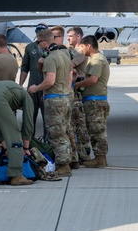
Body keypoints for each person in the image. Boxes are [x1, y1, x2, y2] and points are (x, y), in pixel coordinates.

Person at [28, 26, 75, 176]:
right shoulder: (64, 55)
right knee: (65, 131)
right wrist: (65, 91)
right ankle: (71, 159)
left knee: (56, 134)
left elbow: (49, 81)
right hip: (64, 97)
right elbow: (69, 77)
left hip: (54, 99)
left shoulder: (51, 59)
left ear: (43, 43)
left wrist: (35, 88)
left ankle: (63, 165)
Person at [74, 35, 110, 167]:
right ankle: (99, 158)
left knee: (97, 130)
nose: (81, 50)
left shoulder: (97, 60)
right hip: (93, 99)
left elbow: (93, 80)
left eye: (82, 46)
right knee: (95, 130)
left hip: (95, 101)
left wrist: (78, 85)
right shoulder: (93, 60)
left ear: (88, 45)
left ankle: (100, 159)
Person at [67, 26, 92, 164]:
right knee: (73, 124)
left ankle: (84, 154)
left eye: (70, 36)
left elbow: (67, 65)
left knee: (80, 124)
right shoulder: (71, 51)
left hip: (78, 91)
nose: (68, 38)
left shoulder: (80, 51)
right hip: (73, 90)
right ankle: (77, 154)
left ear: (78, 37)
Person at [19, 26, 50, 130]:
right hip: (32, 86)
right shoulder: (30, 47)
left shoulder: (51, 48)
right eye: (37, 32)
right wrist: (20, 85)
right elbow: (25, 67)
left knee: (48, 118)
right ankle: (29, 142)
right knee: (29, 117)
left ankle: (47, 142)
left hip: (46, 86)